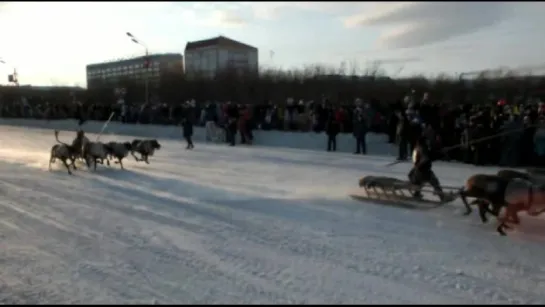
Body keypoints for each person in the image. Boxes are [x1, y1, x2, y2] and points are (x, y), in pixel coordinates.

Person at [409, 136, 445, 200]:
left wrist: (439, 153)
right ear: (424, 142)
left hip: (416, 171)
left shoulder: (417, 148)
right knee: (434, 182)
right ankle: (442, 197)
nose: (428, 142)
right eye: (427, 141)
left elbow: (430, 155)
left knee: (420, 182)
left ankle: (417, 193)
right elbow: (427, 158)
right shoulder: (423, 148)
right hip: (424, 171)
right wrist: (440, 154)